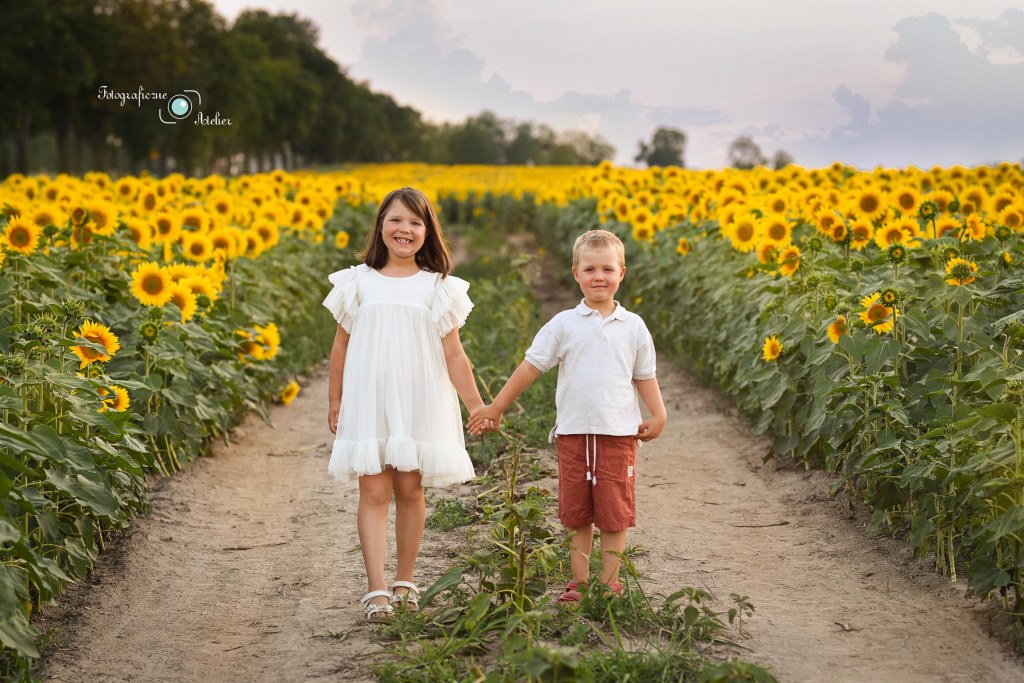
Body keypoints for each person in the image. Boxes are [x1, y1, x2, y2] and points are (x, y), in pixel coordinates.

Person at [468, 229, 667, 602]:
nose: (599, 277)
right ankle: (579, 581)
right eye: (589, 268)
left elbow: (644, 375)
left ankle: (610, 582)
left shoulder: (634, 326)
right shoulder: (564, 324)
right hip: (574, 433)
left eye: (607, 268)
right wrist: (496, 406)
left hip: (618, 435)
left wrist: (658, 413)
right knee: (577, 512)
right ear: (575, 273)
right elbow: (531, 366)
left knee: (614, 511)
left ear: (622, 272)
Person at [323, 186, 492, 623]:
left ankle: (405, 581)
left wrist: (476, 404)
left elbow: (454, 354)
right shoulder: (357, 282)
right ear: (381, 225)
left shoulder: (437, 288)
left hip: (418, 399)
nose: (405, 229)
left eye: (416, 222)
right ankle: (376, 589)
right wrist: (335, 399)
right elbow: (340, 346)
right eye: (396, 219)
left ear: (428, 232)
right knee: (374, 490)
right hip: (369, 400)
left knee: (409, 489)